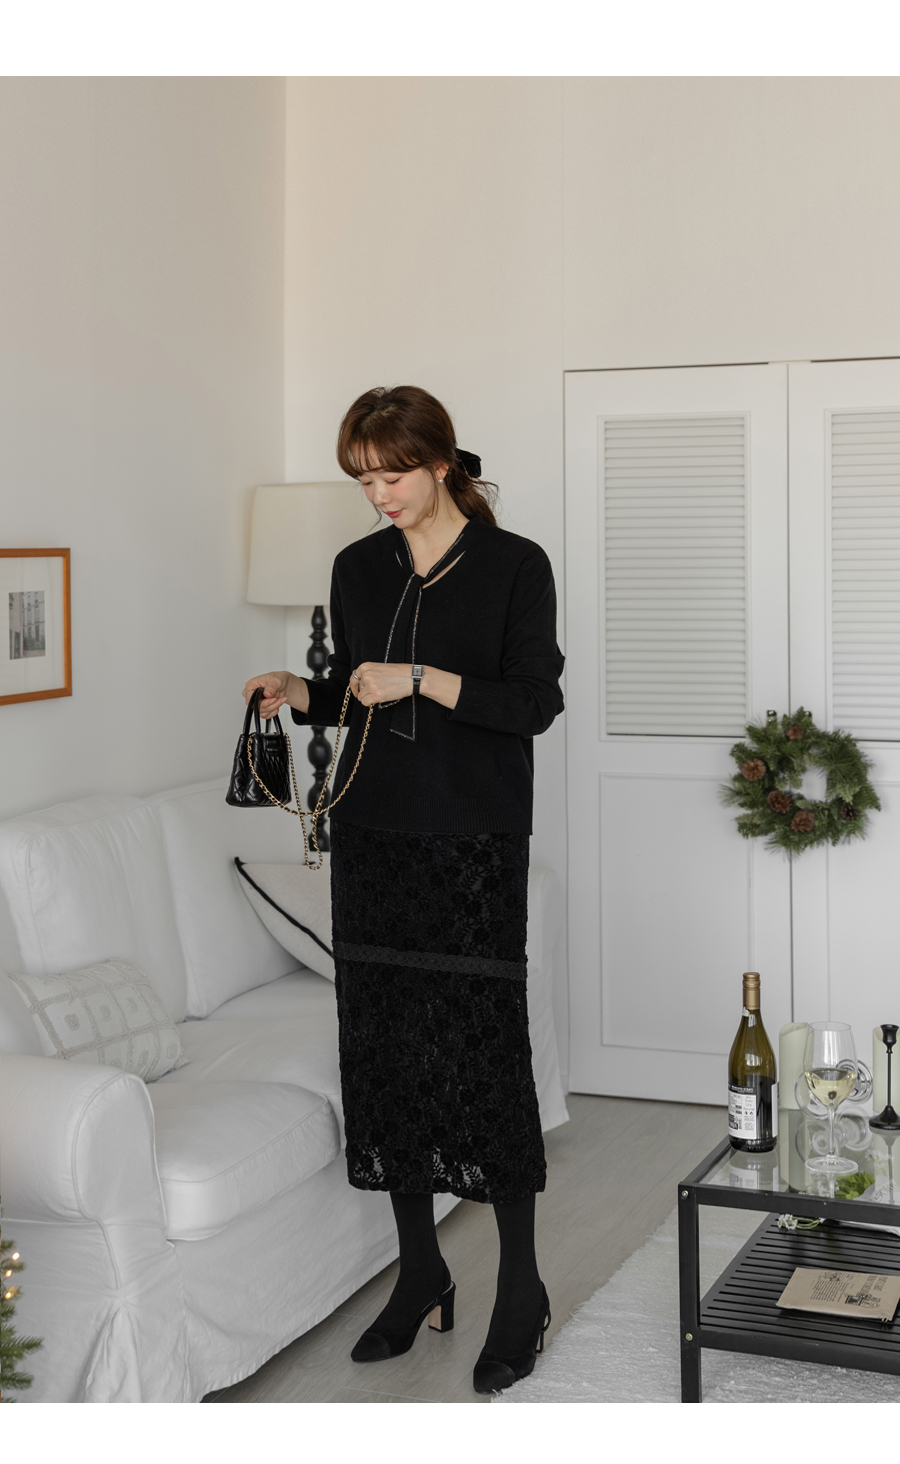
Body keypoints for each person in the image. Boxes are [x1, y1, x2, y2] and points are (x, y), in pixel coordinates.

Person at [242, 384, 565, 1395]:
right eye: (364, 480)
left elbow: (533, 703)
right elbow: (353, 692)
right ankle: (420, 1267)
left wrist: (421, 677)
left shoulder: (515, 566)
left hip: (471, 843)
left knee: (482, 1056)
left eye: (392, 475)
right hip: (373, 836)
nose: (378, 495)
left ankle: (521, 1287)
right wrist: (302, 693)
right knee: (387, 1054)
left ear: (442, 463)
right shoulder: (357, 567)